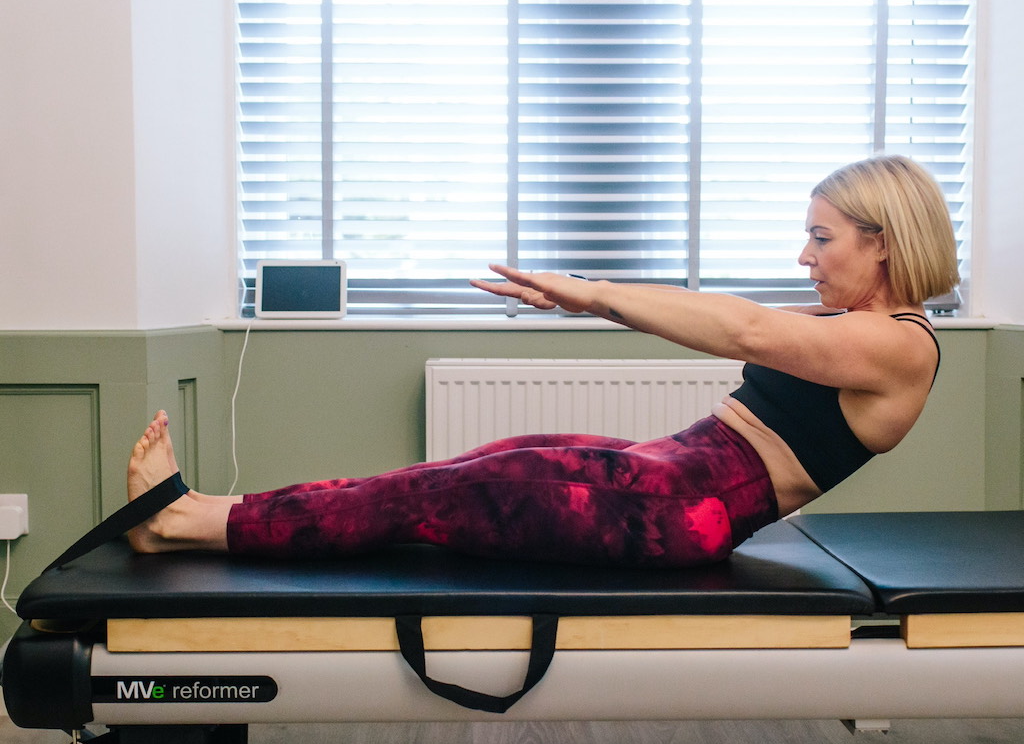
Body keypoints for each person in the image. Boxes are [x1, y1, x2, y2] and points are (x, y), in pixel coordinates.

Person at [127, 154, 959, 568]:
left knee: (456, 491)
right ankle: (207, 510)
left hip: (690, 508)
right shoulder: (849, 321)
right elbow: (741, 324)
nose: (804, 256)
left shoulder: (897, 344)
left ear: (883, 244)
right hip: (677, 469)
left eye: (822, 237)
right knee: (489, 460)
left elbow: (742, 330)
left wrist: (590, 293)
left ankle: (191, 522)